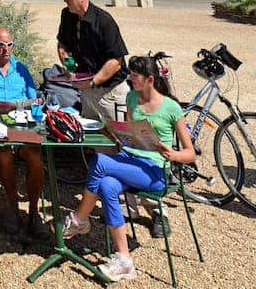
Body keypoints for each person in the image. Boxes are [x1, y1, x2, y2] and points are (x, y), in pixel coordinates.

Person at [63, 55, 196, 282]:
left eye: (135, 76)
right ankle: (124, 259)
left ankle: (79, 218)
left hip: (155, 170)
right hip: (130, 159)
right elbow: (128, 132)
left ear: (150, 79)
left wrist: (172, 154)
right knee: (106, 184)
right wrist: (116, 132)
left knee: (101, 162)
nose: (131, 79)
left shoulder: (171, 107)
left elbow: (190, 153)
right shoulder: (132, 98)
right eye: (131, 74)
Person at [0, 27, 50, 239]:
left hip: (22, 121)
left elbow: (34, 98)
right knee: (3, 153)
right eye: (1, 44)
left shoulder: (21, 69)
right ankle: (12, 206)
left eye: (10, 45)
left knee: (35, 155)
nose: (6, 49)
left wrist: (29, 104)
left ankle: (34, 211)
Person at [56, 0, 129, 120]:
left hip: (109, 92)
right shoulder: (67, 16)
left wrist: (94, 81)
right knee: (92, 136)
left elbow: (115, 61)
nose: (65, 0)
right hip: (86, 89)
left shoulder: (104, 21)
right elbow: (62, 44)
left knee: (117, 137)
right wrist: (68, 64)